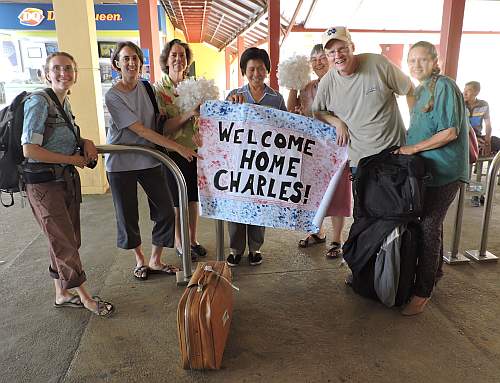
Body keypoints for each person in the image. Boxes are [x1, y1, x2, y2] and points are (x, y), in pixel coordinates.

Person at [22, 52, 114, 317]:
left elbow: (63, 135)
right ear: (46, 73)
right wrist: (72, 159)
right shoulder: (39, 102)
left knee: (65, 238)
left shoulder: (62, 102)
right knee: (64, 241)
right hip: (44, 184)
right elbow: (30, 149)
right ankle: (86, 298)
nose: (64, 73)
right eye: (57, 69)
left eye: (69, 68)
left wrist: (84, 142)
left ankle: (61, 293)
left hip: (63, 180)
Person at [105, 41, 198, 281]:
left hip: (149, 159)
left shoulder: (147, 88)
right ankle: (140, 260)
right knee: (128, 216)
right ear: (117, 64)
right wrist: (178, 147)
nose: (131, 63)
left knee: (166, 211)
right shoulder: (113, 96)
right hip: (121, 163)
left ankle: (156, 259)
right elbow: (142, 131)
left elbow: (160, 120)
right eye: (126, 59)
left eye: (135, 58)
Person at [395, 41, 468, 316]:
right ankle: (435, 271)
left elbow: (450, 132)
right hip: (428, 171)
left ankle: (422, 291)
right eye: (412, 60)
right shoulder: (421, 91)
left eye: (423, 60)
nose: (416, 65)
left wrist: (412, 148)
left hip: (447, 171)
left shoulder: (444, 86)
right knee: (431, 224)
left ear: (435, 61)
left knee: (427, 225)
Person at [312, 26, 414, 170]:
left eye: (342, 49)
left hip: (395, 153)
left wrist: (415, 126)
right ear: (327, 56)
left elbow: (409, 88)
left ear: (352, 47)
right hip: (360, 162)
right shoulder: (327, 83)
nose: (337, 55)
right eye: (331, 52)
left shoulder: (378, 63)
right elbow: (318, 112)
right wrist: (337, 122)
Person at [287, 44, 351, 258]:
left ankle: (337, 239)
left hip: (337, 147)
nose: (318, 62)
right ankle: (316, 232)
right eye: (313, 59)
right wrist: (294, 84)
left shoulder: (341, 83)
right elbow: (290, 113)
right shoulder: (306, 87)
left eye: (322, 57)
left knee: (338, 192)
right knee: (313, 193)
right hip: (312, 149)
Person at [225, 47, 287, 267]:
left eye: (261, 68)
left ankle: (255, 248)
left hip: (265, 164)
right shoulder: (235, 95)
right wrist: (231, 107)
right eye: (251, 68)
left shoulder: (276, 98)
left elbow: (286, 129)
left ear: (267, 70)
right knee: (236, 206)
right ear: (244, 70)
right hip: (238, 163)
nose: (256, 73)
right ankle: (235, 249)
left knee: (260, 205)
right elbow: (224, 127)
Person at [154, 39, 207, 260]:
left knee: (193, 198)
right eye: (174, 55)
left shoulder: (194, 85)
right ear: (166, 60)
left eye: (183, 55)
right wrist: (190, 114)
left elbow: (204, 116)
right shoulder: (158, 90)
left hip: (195, 150)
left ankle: (192, 239)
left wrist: (201, 127)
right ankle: (179, 241)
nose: (178, 59)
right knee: (177, 201)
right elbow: (163, 127)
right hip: (172, 152)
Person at [463, 81, 499, 155]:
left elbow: (488, 125)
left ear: (476, 92)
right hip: (464, 137)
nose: (464, 93)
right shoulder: (460, 104)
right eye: (464, 90)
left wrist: (487, 142)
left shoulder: (483, 105)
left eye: (468, 90)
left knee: (496, 142)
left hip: (477, 136)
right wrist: (472, 139)